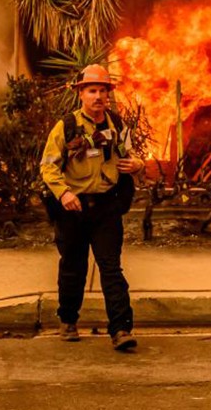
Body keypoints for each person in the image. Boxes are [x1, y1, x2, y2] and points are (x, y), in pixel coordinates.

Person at [40, 64, 145, 351]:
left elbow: (130, 155)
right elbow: (48, 167)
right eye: (92, 90)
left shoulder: (116, 125)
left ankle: (121, 330)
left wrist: (137, 164)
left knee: (111, 268)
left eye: (102, 90)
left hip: (106, 208)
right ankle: (68, 321)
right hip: (73, 209)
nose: (98, 96)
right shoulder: (66, 127)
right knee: (73, 267)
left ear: (108, 95)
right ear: (81, 94)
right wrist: (63, 194)